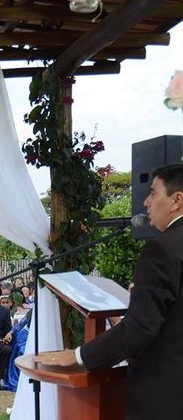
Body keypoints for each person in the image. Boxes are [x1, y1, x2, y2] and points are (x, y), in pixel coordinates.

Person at [35, 164, 183, 419]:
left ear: (177, 199)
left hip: (166, 395)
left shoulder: (162, 250)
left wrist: (79, 355)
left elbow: (140, 328)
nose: (146, 202)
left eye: (153, 193)